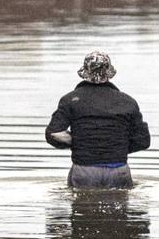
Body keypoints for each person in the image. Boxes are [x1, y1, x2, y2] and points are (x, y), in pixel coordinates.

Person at [46, 51, 150, 189]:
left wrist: (81, 144)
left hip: (83, 170)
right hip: (118, 170)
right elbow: (143, 140)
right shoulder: (127, 102)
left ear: (84, 73)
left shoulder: (70, 100)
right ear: (109, 73)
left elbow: (53, 134)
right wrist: (116, 147)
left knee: (81, 208)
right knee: (120, 208)